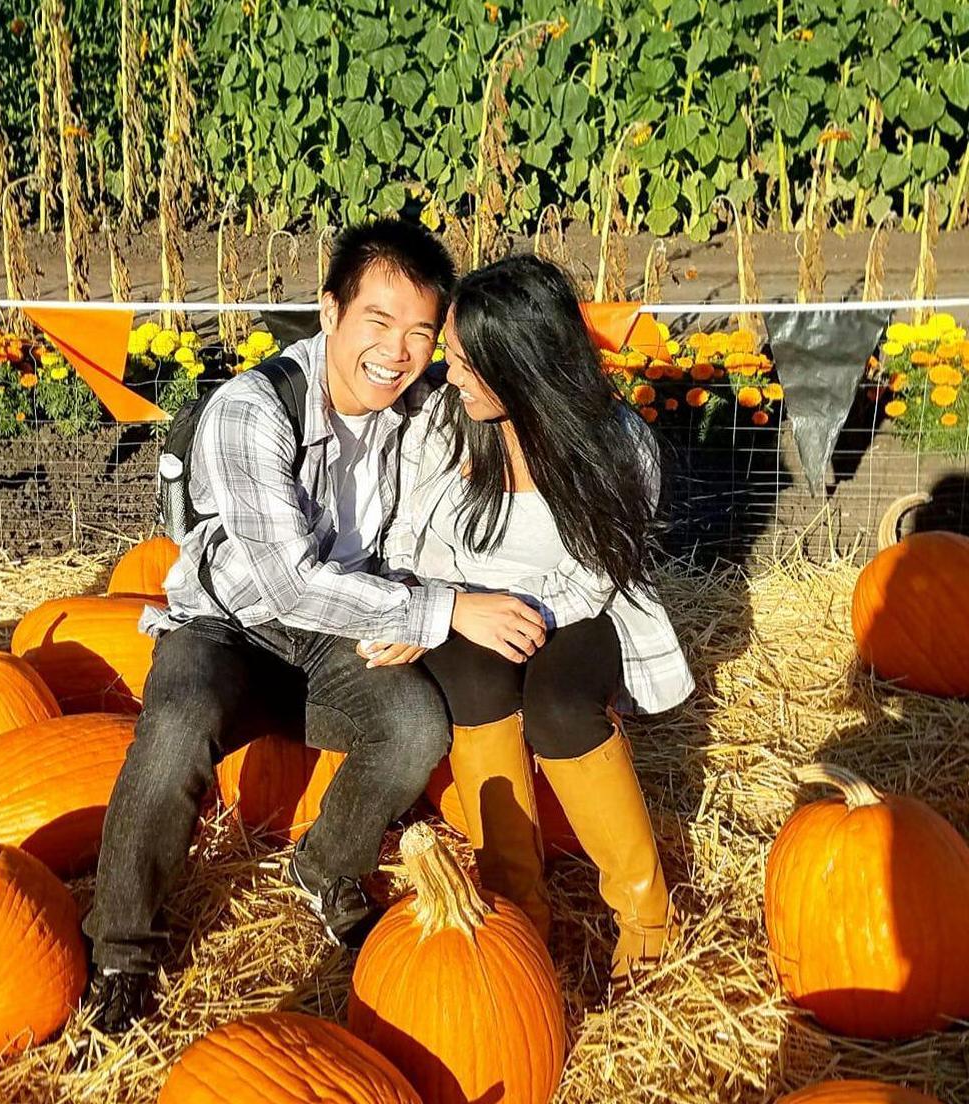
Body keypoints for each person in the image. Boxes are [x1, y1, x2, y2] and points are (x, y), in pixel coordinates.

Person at [83, 220, 547, 1034]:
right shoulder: (251, 410)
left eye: (418, 334)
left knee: (412, 726)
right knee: (179, 721)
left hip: (336, 637)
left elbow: (459, 510)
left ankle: (325, 870)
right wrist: (438, 611)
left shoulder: (422, 414)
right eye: (378, 322)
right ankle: (121, 949)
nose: (397, 352)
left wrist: (429, 588)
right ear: (329, 313)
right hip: (228, 631)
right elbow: (284, 582)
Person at [373, 254, 694, 986]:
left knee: (558, 705)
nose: (447, 376)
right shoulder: (441, 428)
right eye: (449, 358)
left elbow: (602, 568)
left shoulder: (617, 442)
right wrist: (454, 608)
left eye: (463, 363)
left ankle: (646, 914)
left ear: (520, 366)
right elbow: (403, 541)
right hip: (462, 605)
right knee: (479, 683)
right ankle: (521, 911)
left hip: (576, 605)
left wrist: (531, 619)